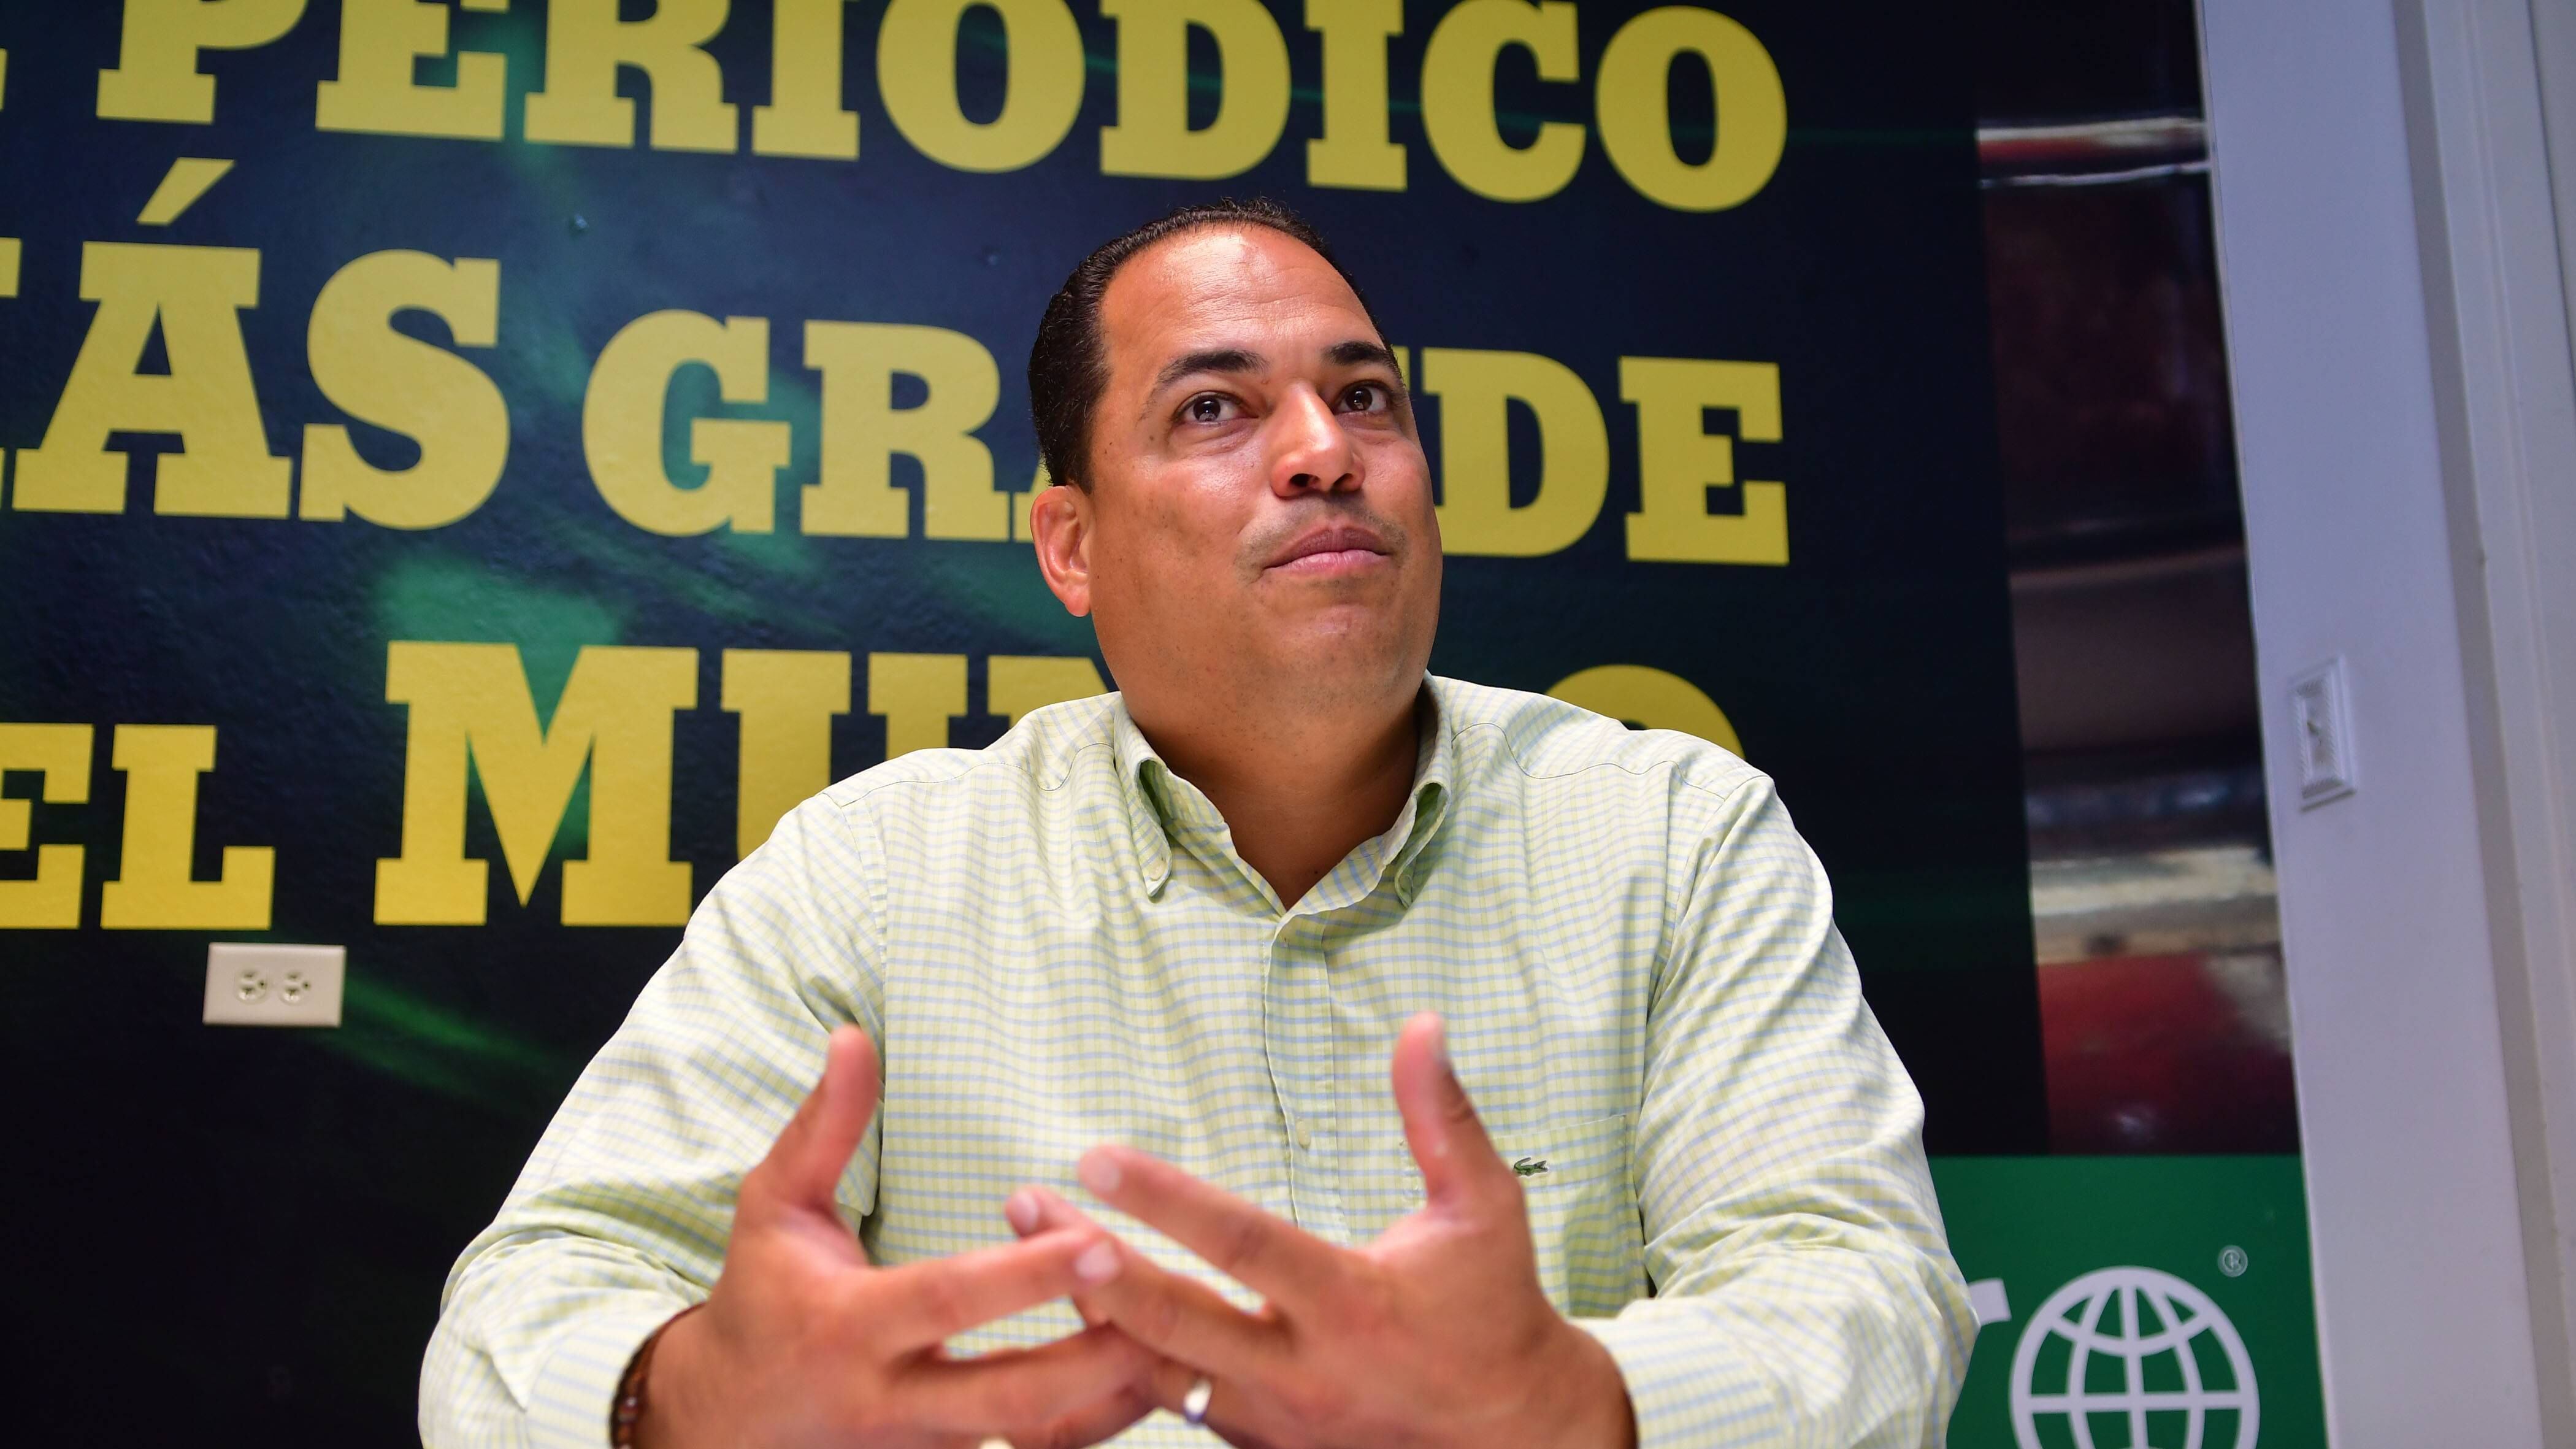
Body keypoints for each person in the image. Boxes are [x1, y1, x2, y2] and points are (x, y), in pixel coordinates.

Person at [420, 199, 1974, 1449]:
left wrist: (1577, 1406)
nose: (1325, 451)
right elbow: (524, 1306)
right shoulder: (872, 875)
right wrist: (686, 1398)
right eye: (1216, 407)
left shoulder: (1674, 833)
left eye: (1363, 396)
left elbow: (1868, 1288)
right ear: (1072, 544)